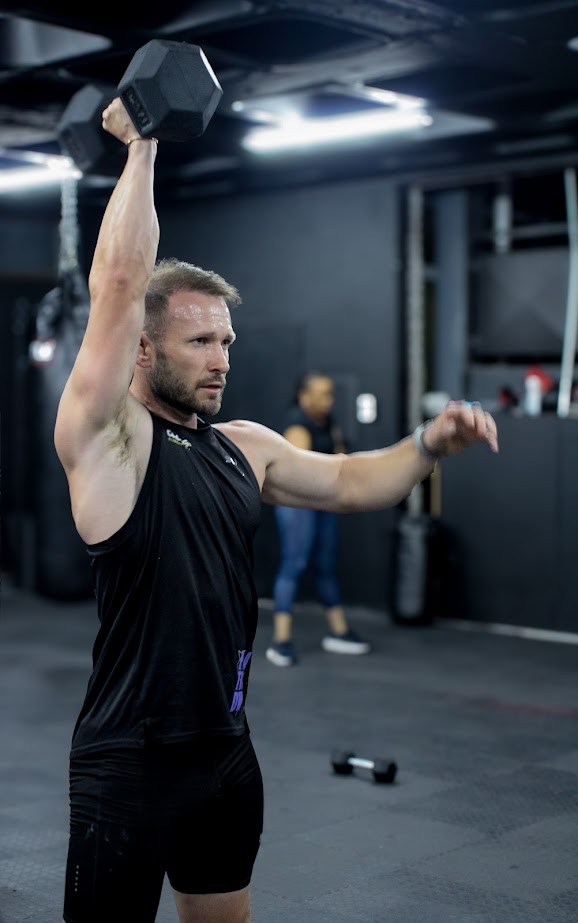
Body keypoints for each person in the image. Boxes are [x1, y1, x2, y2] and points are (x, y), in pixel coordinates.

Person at [53, 95, 499, 923]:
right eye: (199, 341)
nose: (222, 357)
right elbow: (119, 281)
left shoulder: (244, 446)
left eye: (227, 340)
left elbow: (354, 481)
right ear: (143, 350)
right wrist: (143, 146)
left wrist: (430, 442)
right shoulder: (111, 441)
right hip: (130, 759)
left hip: (226, 751)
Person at [266, 371, 371, 667]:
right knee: (295, 564)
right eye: (322, 394)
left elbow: (339, 459)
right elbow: (300, 476)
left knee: (325, 565)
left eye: (331, 394)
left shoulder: (329, 423)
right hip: (297, 505)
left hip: (323, 503)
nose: (329, 400)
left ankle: (339, 632)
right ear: (304, 396)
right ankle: (280, 642)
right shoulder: (297, 426)